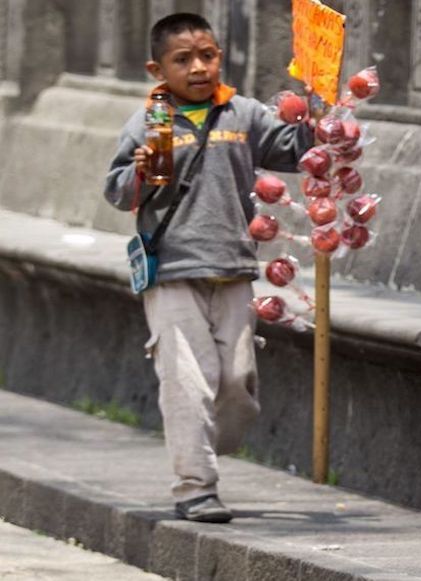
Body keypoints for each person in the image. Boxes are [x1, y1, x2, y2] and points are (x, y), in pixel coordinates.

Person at [103, 13, 312, 523]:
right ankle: (195, 486)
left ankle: (203, 446)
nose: (199, 67)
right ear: (158, 68)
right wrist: (148, 165)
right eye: (183, 60)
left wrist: (320, 115)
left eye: (208, 55)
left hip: (234, 267)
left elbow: (295, 151)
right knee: (188, 382)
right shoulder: (150, 121)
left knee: (237, 384)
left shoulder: (241, 113)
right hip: (173, 268)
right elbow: (117, 190)